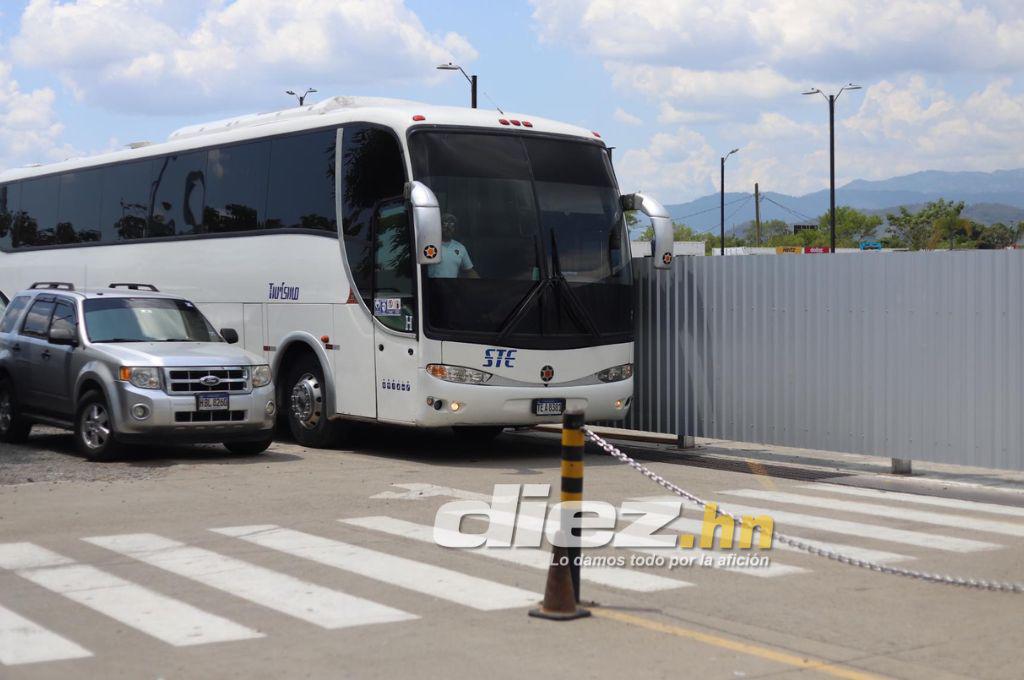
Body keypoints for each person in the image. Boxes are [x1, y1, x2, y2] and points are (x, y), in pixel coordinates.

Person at [428, 212, 479, 278]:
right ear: (439, 226)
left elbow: (469, 271)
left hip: (451, 287)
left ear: (455, 228)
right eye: (445, 224)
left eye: (452, 225)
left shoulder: (460, 248)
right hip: (432, 287)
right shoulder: (429, 245)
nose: (448, 228)